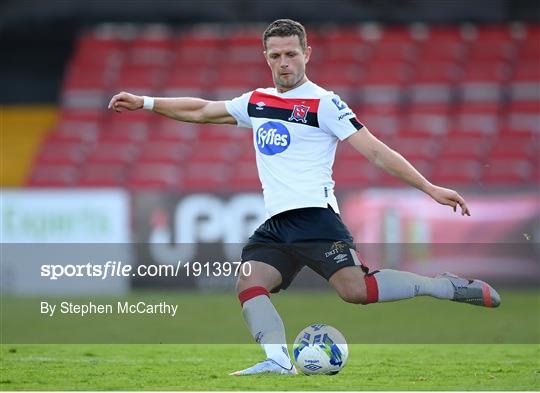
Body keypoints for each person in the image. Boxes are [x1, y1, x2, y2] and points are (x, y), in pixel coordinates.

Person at [109, 19, 500, 376]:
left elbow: (376, 150)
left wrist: (429, 188)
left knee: (356, 292)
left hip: (315, 218)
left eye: (291, 54)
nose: (284, 63)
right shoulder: (257, 101)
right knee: (248, 282)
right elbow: (202, 110)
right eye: (276, 55)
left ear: (306, 54)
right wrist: (145, 102)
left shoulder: (324, 103)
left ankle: (437, 285)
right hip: (277, 224)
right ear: (266, 57)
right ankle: (278, 360)